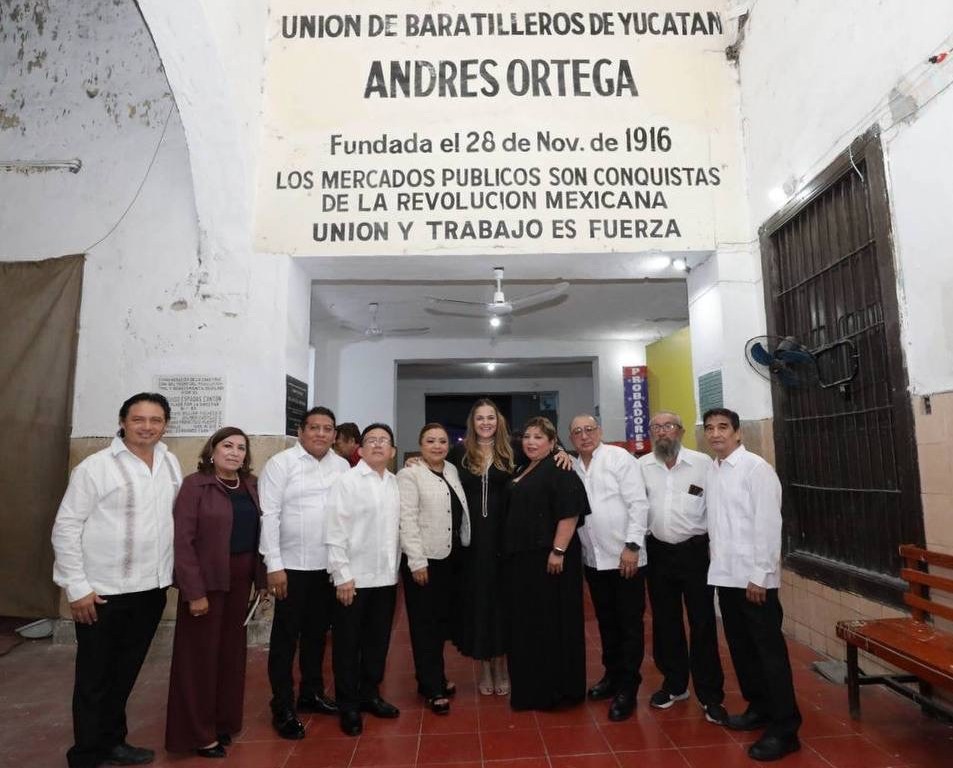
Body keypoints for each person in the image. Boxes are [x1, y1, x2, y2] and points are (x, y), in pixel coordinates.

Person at [52, 393, 182, 768]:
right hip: (103, 592)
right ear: (123, 422)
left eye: (155, 420)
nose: (147, 427)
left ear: (165, 425)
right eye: (138, 419)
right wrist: (77, 588)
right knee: (94, 677)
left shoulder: (170, 462)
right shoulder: (95, 468)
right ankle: (86, 754)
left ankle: (113, 742)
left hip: (151, 588)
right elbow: (66, 527)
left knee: (125, 672)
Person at [703, 408, 801, 761]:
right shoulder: (713, 470)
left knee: (768, 654)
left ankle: (785, 729)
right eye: (710, 428)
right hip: (726, 576)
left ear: (738, 433)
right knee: (742, 650)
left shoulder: (756, 469)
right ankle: (759, 707)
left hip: (754, 580)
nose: (716, 434)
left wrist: (761, 574)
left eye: (723, 427)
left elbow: (769, 525)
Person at [165, 427, 268, 758]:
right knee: (199, 659)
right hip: (206, 583)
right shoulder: (195, 485)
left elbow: (262, 534)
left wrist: (261, 583)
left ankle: (223, 722)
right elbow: (183, 541)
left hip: (240, 582)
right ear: (212, 450)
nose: (235, 452)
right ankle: (198, 734)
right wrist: (194, 591)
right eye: (227, 446)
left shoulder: (251, 485)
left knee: (231, 656)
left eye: (241, 447)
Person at [258, 406, 350, 739]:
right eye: (315, 427)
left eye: (328, 429)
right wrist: (274, 565)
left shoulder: (342, 467)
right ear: (301, 431)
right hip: (291, 568)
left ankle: (311, 693)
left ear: (335, 435)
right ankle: (282, 704)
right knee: (286, 638)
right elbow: (269, 515)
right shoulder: (281, 464)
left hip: (327, 567)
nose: (321, 434)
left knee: (317, 635)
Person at [639, 412, 727, 724]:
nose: (662, 432)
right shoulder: (642, 466)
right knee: (666, 621)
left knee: (702, 622)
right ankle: (675, 685)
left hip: (695, 553)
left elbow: (717, 509)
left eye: (668, 426)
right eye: (656, 427)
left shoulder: (704, 465)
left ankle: (710, 695)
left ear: (681, 431)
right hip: (658, 553)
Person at [503, 416, 590, 711]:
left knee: (551, 624)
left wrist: (558, 550)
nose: (531, 442)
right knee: (530, 626)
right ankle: (532, 688)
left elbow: (570, 513)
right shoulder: (523, 467)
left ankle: (555, 691)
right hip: (524, 562)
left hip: (550, 561)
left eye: (539, 437)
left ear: (553, 442)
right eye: (527, 436)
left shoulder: (560, 468)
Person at [569, 414, 648, 722]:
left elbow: (638, 503)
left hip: (624, 558)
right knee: (606, 622)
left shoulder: (619, 458)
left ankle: (628, 688)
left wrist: (632, 546)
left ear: (599, 431)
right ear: (571, 438)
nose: (584, 435)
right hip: (594, 559)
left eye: (589, 429)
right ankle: (612, 676)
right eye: (577, 432)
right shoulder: (572, 465)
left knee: (629, 625)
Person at [326, 423, 403, 736]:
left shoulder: (396, 483)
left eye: (384, 440)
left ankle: (370, 694)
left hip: (386, 578)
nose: (378, 445)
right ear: (360, 449)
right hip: (353, 579)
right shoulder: (347, 481)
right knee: (347, 644)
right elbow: (335, 530)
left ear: (393, 451)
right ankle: (348, 704)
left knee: (377, 641)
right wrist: (342, 575)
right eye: (371, 440)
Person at [397, 423, 471, 714]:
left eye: (442, 441)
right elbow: (407, 519)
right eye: (430, 441)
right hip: (424, 561)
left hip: (450, 558)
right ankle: (431, 687)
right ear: (420, 444)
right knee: (424, 625)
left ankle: (434, 675)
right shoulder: (409, 474)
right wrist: (416, 561)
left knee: (440, 623)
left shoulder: (451, 470)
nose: (437, 446)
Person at [446, 398, 515, 695]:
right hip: (472, 544)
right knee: (480, 604)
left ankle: (502, 665)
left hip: (506, 541)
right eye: (480, 418)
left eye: (491, 417)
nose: (486, 423)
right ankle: (485, 666)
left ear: (499, 421)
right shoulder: (459, 453)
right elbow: (435, 468)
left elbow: (546, 451)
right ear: (472, 423)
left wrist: (562, 452)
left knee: (503, 604)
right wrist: (415, 462)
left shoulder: (513, 450)